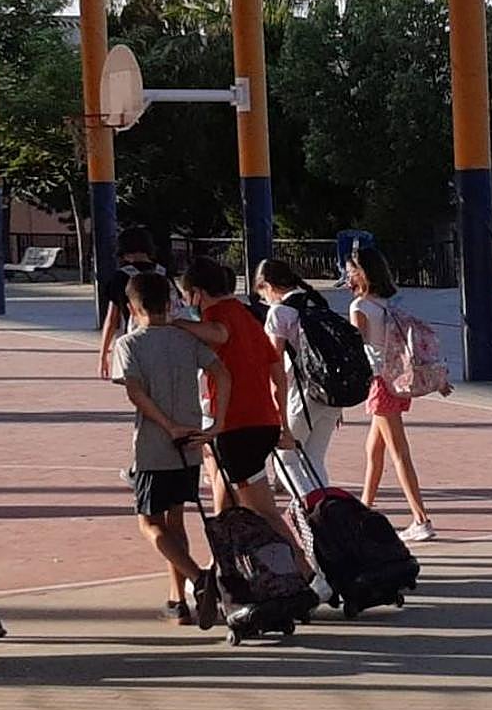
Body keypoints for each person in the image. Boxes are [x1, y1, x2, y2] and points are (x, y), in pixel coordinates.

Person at [175, 258, 332, 602]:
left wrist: (175, 324)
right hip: (260, 421)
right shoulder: (248, 316)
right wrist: (278, 416)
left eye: (187, 295)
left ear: (198, 294)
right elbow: (275, 367)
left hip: (237, 425)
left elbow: (217, 334)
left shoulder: (219, 317)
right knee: (225, 501)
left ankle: (308, 572)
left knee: (262, 508)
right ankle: (223, 570)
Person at [111, 271, 227, 629]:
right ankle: (178, 601)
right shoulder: (184, 339)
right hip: (190, 439)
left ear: (133, 307)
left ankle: (197, 578)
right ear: (168, 304)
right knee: (176, 518)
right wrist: (216, 422)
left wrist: (166, 424)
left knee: (149, 521)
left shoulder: (130, 344)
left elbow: (135, 391)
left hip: (155, 443)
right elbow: (221, 372)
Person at [347, 248, 447, 542]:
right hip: (395, 380)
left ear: (361, 273)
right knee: (373, 450)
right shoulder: (388, 304)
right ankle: (365, 510)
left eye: (352, 270)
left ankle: (421, 519)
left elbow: (358, 348)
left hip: (380, 382)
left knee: (398, 452)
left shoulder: (360, 307)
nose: (348, 275)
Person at [254, 259, 342, 495]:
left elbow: (274, 364)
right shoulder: (316, 303)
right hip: (330, 394)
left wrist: (277, 411)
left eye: (262, 292)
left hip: (301, 394)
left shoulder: (279, 313)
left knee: (286, 458)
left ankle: (310, 512)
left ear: (268, 285)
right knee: (314, 459)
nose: (264, 299)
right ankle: (329, 515)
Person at [98, 227, 172, 379]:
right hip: (167, 340)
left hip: (136, 340)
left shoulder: (120, 277)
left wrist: (103, 355)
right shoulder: (163, 273)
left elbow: (112, 319)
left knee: (138, 389)